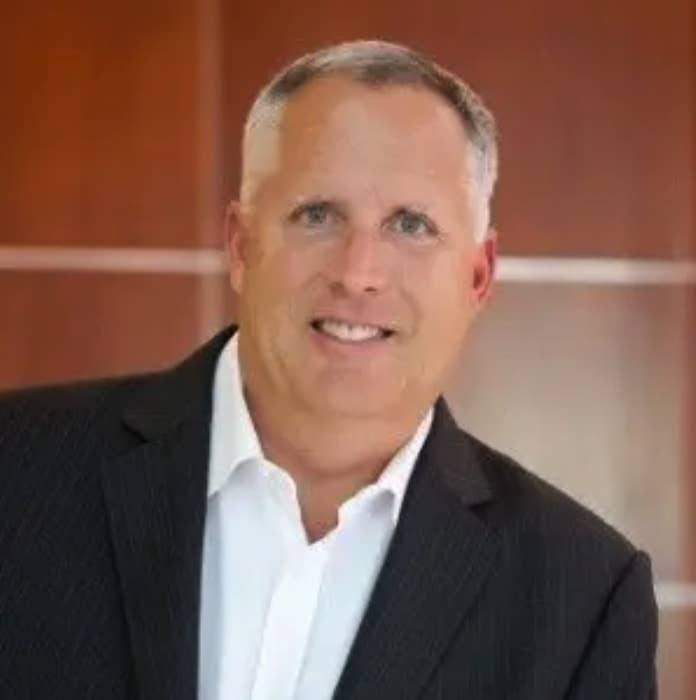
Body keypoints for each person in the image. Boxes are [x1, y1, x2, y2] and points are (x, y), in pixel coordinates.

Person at [0, 40, 657, 700]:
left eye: (411, 223)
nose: (358, 273)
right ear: (241, 244)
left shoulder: (583, 599)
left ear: (478, 275)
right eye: (317, 215)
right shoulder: (18, 472)